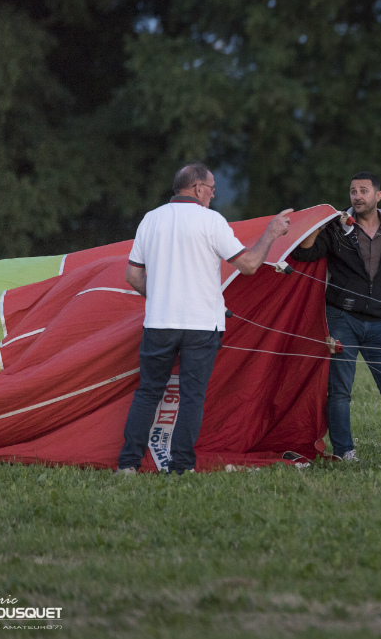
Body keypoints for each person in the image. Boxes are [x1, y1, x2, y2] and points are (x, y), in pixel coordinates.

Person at [117, 163, 291, 474]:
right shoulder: (211, 221)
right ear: (198, 188)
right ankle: (181, 467)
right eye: (211, 188)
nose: (213, 194)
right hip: (201, 325)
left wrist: (159, 297)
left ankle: (128, 465)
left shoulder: (150, 219)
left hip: (159, 322)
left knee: (148, 393)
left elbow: (132, 275)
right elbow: (249, 265)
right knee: (192, 397)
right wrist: (271, 233)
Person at [290, 172, 381, 463]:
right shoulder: (337, 228)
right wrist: (318, 225)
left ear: (378, 195)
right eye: (353, 191)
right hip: (341, 319)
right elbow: (304, 254)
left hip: (379, 323)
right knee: (339, 391)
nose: (357, 196)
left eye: (364, 190)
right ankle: (344, 451)